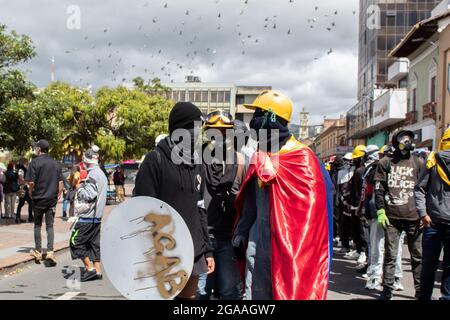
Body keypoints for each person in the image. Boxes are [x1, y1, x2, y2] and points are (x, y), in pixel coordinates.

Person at [232, 90, 333, 300]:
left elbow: (317, 211)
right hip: (257, 241)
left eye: (259, 114)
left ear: (271, 118)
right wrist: (241, 231)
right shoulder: (260, 154)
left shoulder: (303, 158)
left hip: (292, 246)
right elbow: (251, 200)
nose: (254, 122)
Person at [134, 102, 215, 300]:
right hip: (163, 253)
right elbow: (142, 211)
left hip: (193, 250)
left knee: (189, 299)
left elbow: (200, 209)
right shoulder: (155, 160)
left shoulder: (197, 163)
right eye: (193, 128)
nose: (197, 134)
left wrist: (207, 250)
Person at [197, 111, 245, 300]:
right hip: (201, 239)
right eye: (214, 131)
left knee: (230, 293)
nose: (219, 136)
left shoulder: (241, 161)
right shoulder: (195, 159)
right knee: (200, 293)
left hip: (229, 238)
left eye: (224, 132)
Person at [374, 130, 425, 300]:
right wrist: (380, 210)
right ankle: (387, 289)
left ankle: (420, 290)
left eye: (410, 139)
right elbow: (379, 188)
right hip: (392, 217)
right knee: (390, 254)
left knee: (417, 256)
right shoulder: (385, 162)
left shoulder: (418, 162)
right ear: (397, 143)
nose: (408, 141)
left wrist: (424, 212)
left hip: (414, 217)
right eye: (404, 139)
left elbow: (424, 189)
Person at [362, 146, 405, 291]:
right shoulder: (374, 171)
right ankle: (380, 278)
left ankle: (389, 278)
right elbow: (367, 193)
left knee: (389, 250)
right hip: (381, 214)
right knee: (384, 249)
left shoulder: (399, 170)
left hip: (394, 215)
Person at [415, 128, 450, 300]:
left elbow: (419, 189)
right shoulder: (433, 161)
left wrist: (423, 213)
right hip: (433, 223)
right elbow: (420, 189)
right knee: (429, 266)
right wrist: (423, 213)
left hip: (434, 221)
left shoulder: (432, 159)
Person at [70, 146, 107, 282]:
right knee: (93, 245)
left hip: (87, 218)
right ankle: (97, 271)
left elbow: (90, 195)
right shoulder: (101, 173)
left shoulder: (93, 174)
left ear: (86, 160)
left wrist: (79, 187)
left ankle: (90, 269)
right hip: (96, 218)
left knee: (75, 242)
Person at [26, 140, 63, 266]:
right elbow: (60, 183)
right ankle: (50, 251)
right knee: (50, 226)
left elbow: (31, 182)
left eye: (36, 148)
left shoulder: (34, 162)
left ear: (39, 149)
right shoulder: (56, 163)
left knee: (37, 225)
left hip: (38, 199)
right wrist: (58, 195)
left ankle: (38, 250)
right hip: (51, 199)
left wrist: (31, 192)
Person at [347, 145, 369, 268]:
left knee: (361, 231)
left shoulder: (362, 171)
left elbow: (360, 190)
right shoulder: (358, 170)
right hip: (356, 204)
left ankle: (363, 253)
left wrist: (358, 205)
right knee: (356, 229)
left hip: (359, 205)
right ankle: (360, 250)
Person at [337, 153, 355, 255]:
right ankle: (345, 245)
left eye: (349, 160)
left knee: (354, 225)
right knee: (343, 224)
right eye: (346, 160)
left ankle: (354, 246)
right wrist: (342, 199)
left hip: (352, 202)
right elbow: (339, 187)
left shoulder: (355, 171)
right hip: (343, 202)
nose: (347, 162)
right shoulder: (341, 172)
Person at [16, 157, 33, 223]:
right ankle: (30, 217)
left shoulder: (24, 169)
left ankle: (18, 217)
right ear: (23, 162)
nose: (27, 163)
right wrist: (27, 182)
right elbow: (20, 178)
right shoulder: (21, 169)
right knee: (30, 202)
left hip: (23, 187)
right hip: (23, 188)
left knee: (21, 203)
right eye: (26, 162)